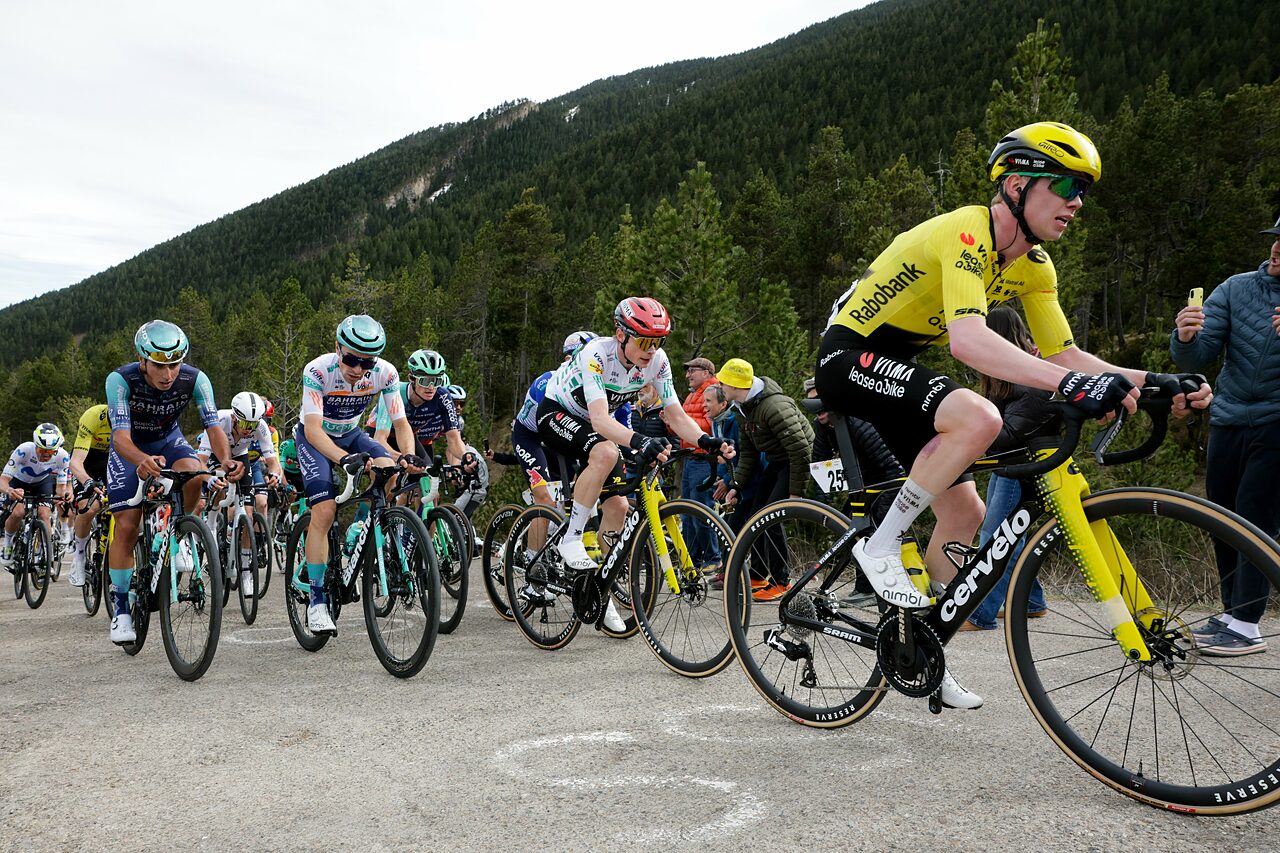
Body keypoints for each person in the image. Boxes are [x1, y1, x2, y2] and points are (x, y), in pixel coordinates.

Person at [815, 121, 1211, 709]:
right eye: (1068, 185)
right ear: (1019, 184)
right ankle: (882, 545)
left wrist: (1151, 381)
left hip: (896, 366)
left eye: (1084, 190)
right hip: (847, 357)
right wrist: (1074, 385)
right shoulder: (967, 230)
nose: (1077, 202)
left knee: (966, 512)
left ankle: (922, 649)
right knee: (980, 417)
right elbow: (969, 342)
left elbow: (1064, 355)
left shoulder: (1034, 266)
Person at [537, 296, 734, 631]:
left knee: (618, 507)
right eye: (644, 341)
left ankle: (599, 591)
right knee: (606, 452)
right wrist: (640, 440)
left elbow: (676, 414)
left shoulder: (657, 362)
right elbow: (600, 420)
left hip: (596, 426)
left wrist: (705, 440)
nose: (651, 350)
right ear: (621, 334)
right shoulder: (596, 354)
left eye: (658, 342)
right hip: (558, 413)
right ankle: (572, 537)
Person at [1170, 215, 1280, 656]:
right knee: (1222, 516)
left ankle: (1247, 624)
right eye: (1276, 239)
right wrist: (1185, 336)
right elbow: (1198, 354)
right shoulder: (1236, 288)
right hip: (1229, 418)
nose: (1277, 248)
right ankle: (1232, 614)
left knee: (1255, 515)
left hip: (1276, 423)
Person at [104, 320, 235, 644]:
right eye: (160, 366)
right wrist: (141, 460)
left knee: (193, 472)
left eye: (174, 365)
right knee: (127, 526)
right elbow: (120, 437)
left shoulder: (195, 379)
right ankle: (121, 608)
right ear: (142, 359)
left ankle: (179, 530)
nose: (168, 374)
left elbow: (213, 427)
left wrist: (226, 460)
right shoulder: (121, 380)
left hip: (168, 441)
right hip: (130, 447)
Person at [296, 315, 421, 636]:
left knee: (390, 471)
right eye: (351, 359)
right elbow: (313, 430)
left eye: (366, 363)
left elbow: (401, 423)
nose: (357, 368)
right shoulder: (318, 371)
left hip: (351, 434)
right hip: (315, 438)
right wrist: (343, 459)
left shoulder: (386, 373)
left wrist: (407, 455)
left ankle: (366, 529)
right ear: (338, 348)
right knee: (325, 511)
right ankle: (317, 601)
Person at [959, 306, 1051, 631]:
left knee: (998, 538)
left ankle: (980, 613)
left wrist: (968, 429)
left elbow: (1007, 436)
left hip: (1020, 465)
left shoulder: (1027, 378)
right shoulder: (1014, 372)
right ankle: (1032, 602)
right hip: (1008, 465)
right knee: (1012, 535)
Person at [718, 358, 814, 601]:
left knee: (772, 518)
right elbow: (749, 454)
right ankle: (759, 575)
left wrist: (795, 493)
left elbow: (801, 450)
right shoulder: (742, 409)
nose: (720, 387)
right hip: (778, 460)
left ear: (736, 385)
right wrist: (736, 486)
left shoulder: (774, 406)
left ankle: (782, 582)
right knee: (756, 517)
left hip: (796, 460)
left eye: (723, 383)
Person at [804, 376, 902, 607]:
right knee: (853, 530)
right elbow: (820, 462)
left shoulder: (857, 421)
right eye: (811, 402)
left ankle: (878, 589)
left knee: (876, 530)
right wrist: (822, 505)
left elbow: (893, 469)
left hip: (887, 479)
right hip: (862, 482)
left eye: (820, 401)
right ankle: (865, 588)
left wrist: (884, 507)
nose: (816, 409)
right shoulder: (823, 424)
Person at [195, 391, 285, 596]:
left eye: (253, 425)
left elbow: (273, 463)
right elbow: (200, 461)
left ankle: (245, 571)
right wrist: (209, 479)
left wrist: (275, 475)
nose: (248, 430)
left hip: (241, 457)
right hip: (216, 456)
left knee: (248, 514)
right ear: (234, 417)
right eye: (245, 424)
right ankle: (211, 524)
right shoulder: (218, 420)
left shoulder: (260, 427)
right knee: (219, 487)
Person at [1, 424, 73, 569]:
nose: (46, 455)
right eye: (42, 450)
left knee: (44, 514)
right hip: (17, 482)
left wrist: (63, 496)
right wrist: (9, 490)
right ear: (35, 445)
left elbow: (60, 488)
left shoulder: (63, 456)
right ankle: (8, 544)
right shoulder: (24, 450)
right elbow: (3, 479)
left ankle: (45, 553)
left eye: (51, 451)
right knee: (17, 513)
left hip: (41, 483)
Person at [679, 356, 722, 575]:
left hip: (704, 459)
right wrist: (672, 424)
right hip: (689, 458)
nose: (688, 375)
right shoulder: (691, 395)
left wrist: (684, 423)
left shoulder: (713, 392)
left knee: (701, 510)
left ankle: (713, 558)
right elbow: (685, 429)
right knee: (686, 514)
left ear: (706, 372)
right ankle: (692, 560)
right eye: (687, 371)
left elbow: (709, 425)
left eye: (692, 370)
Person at [67, 402, 112, 586]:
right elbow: (75, 462)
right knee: (89, 508)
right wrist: (87, 481)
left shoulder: (134, 419)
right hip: (88, 461)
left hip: (114, 459)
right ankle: (79, 557)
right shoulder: (94, 416)